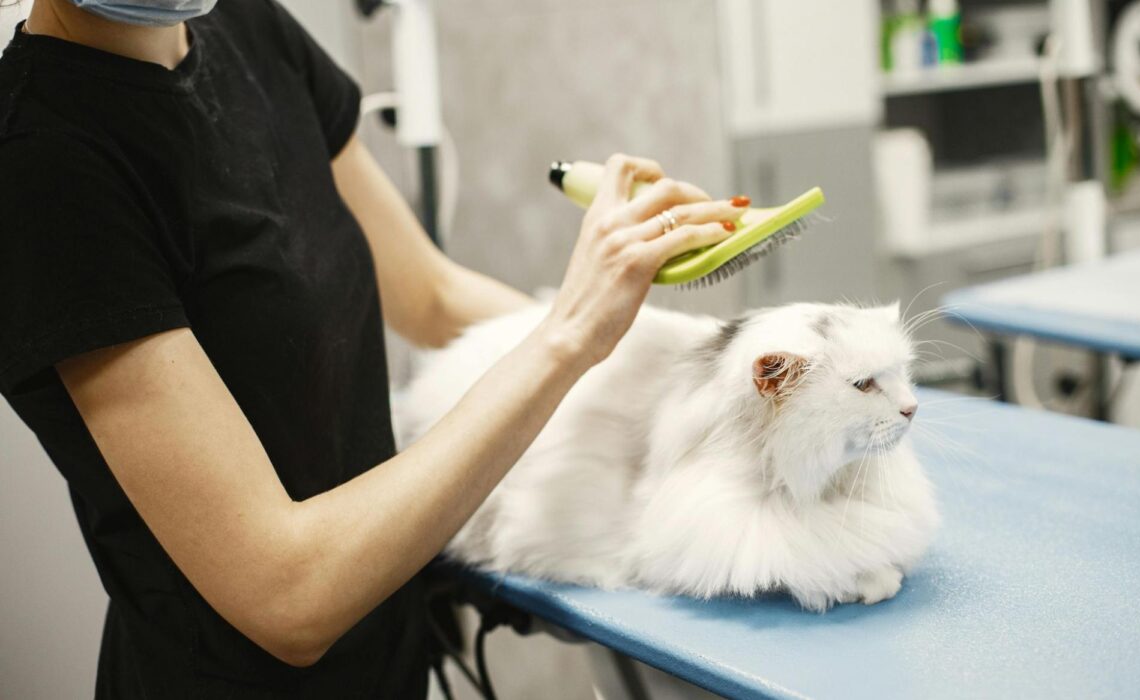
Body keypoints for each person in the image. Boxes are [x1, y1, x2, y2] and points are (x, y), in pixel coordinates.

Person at [0, 0, 747, 696]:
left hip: (390, 666)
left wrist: (677, 364)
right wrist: (568, 335)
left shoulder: (250, 26)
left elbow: (433, 299)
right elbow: (289, 592)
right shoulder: (43, 165)